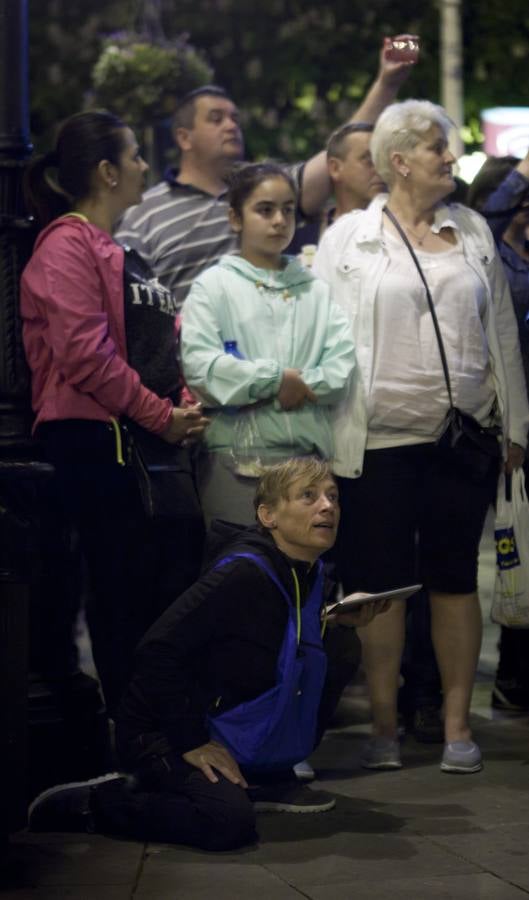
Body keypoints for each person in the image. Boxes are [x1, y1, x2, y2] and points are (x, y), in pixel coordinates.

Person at [313, 99, 529, 774]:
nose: (449, 157)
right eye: (437, 146)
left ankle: (457, 725)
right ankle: (382, 728)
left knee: (454, 578)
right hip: (372, 440)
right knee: (379, 585)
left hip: (459, 438)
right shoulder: (348, 235)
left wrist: (514, 423)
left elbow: (498, 331)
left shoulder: (467, 228)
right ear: (398, 160)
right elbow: (321, 334)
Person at [28, 458, 388, 851]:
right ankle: (98, 802)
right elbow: (157, 648)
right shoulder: (242, 573)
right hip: (162, 730)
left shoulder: (310, 573)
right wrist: (190, 741)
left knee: (340, 646)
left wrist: (331, 623)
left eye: (332, 497)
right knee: (227, 823)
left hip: (222, 723)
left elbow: (270, 642)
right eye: (309, 496)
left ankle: (266, 771)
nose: (327, 506)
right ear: (268, 515)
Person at [20, 111, 210, 718]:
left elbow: (148, 346)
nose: (144, 167)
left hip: (133, 439)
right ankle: (135, 741)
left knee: (152, 591)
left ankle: (155, 731)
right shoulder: (65, 244)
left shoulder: (115, 248)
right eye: (133, 156)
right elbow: (85, 357)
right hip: (93, 441)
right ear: (106, 172)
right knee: (120, 597)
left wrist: (179, 400)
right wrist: (162, 415)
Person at [114, 38, 417, 308]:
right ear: (184, 138)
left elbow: (337, 154)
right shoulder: (144, 213)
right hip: (185, 363)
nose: (231, 125)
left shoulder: (267, 190)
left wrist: (386, 85)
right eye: (216, 119)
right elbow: (125, 303)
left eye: (234, 118)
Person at [180, 161, 355, 527]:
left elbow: (341, 370)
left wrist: (295, 384)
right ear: (235, 218)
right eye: (265, 210)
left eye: (288, 210)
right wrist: (277, 380)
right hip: (234, 464)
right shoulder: (213, 287)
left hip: (308, 464)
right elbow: (203, 369)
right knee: (239, 569)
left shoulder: (315, 288)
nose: (279, 220)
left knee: (302, 576)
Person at [468, 149, 529, 712]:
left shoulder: (522, 251)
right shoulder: (484, 244)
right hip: (496, 421)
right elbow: (494, 205)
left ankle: (517, 675)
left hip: (523, 418)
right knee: (510, 546)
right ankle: (512, 677)